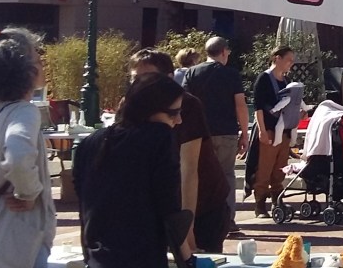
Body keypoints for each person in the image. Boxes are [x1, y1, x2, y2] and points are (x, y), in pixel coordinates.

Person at [74, 73, 188, 268]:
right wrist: (186, 256)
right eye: (173, 113)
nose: (179, 120)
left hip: (99, 255)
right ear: (149, 110)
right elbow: (168, 204)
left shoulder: (92, 141)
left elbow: (83, 199)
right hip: (141, 254)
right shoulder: (159, 137)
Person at [0, 28, 55, 268]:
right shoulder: (24, 111)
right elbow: (18, 156)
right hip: (19, 238)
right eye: (38, 59)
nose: (42, 65)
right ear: (25, 70)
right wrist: (29, 193)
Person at [132, 49, 228, 257]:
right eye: (134, 79)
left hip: (204, 204)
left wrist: (187, 229)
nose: (139, 86)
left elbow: (189, 170)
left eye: (147, 78)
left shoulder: (187, 105)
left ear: (168, 79)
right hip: (163, 207)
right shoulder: (131, 107)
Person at [181, 37, 247, 232]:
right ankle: (227, 220)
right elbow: (240, 105)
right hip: (226, 131)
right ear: (224, 52)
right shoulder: (231, 74)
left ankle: (199, 219)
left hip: (200, 133)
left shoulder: (192, 72)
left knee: (198, 175)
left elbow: (184, 102)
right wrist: (245, 133)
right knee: (227, 175)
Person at [248, 46, 300, 212]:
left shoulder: (286, 80)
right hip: (269, 130)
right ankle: (260, 204)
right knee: (265, 168)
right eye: (288, 60)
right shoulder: (263, 79)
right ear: (277, 58)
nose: (290, 64)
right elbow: (258, 107)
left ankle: (278, 200)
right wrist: (262, 131)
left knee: (280, 168)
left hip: (284, 130)